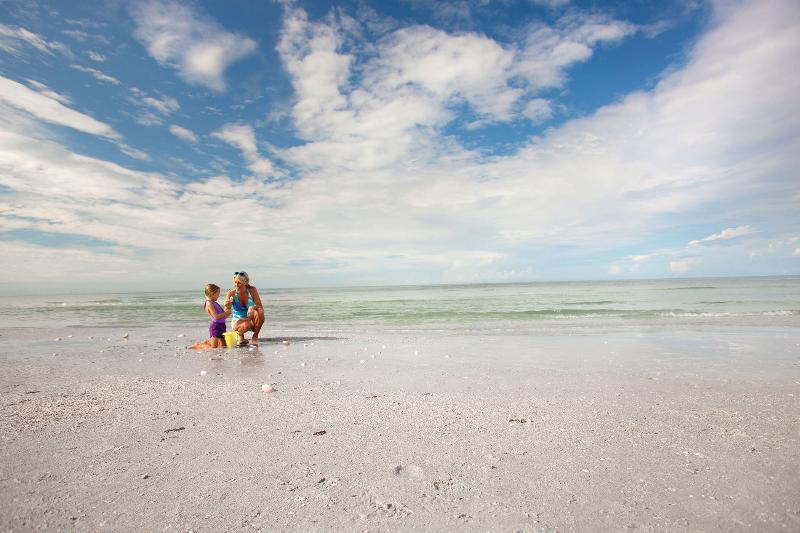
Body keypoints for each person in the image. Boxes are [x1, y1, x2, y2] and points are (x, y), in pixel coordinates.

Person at [225, 271, 264, 347]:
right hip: (238, 321)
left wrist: (252, 307)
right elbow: (226, 312)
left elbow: (259, 306)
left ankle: (255, 336)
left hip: (250, 319)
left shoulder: (252, 290)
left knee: (260, 311)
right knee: (245, 324)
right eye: (235, 282)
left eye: (239, 283)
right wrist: (227, 306)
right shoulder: (231, 293)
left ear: (245, 282)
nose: (236, 285)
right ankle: (240, 336)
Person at [190, 283, 231, 349]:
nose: (218, 296)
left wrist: (228, 310)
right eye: (218, 294)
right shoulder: (209, 303)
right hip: (216, 327)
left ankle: (206, 343)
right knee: (213, 348)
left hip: (222, 326)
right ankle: (197, 345)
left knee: (224, 346)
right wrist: (226, 313)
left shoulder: (214, 303)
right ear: (212, 293)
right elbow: (216, 317)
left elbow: (222, 317)